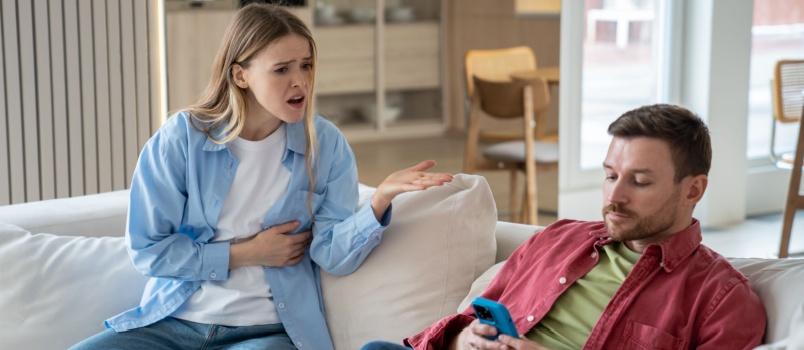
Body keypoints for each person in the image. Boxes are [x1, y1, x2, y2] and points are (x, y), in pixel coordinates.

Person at [70, 4, 452, 350]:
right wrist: (245, 253)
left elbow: (332, 256)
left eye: (306, 65)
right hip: (173, 323)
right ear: (240, 75)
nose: (300, 80)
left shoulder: (326, 144)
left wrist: (378, 201)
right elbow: (147, 249)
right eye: (282, 69)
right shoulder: (182, 137)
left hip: (265, 332)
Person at [362, 104, 766, 350]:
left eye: (639, 182)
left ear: (693, 189)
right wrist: (461, 341)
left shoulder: (720, 297)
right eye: (610, 176)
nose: (615, 196)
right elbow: (470, 319)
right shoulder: (558, 239)